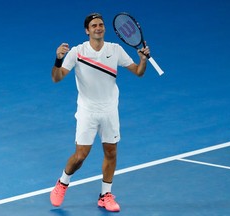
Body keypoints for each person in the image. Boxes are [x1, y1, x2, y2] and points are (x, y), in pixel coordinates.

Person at [50, 12, 150, 212]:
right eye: (94, 25)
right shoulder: (77, 52)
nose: (98, 28)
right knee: (80, 156)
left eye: (101, 25)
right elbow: (57, 78)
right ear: (87, 30)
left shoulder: (116, 49)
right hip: (87, 111)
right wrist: (58, 59)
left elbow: (138, 72)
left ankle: (105, 195)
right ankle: (62, 182)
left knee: (111, 152)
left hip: (109, 110)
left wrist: (143, 60)